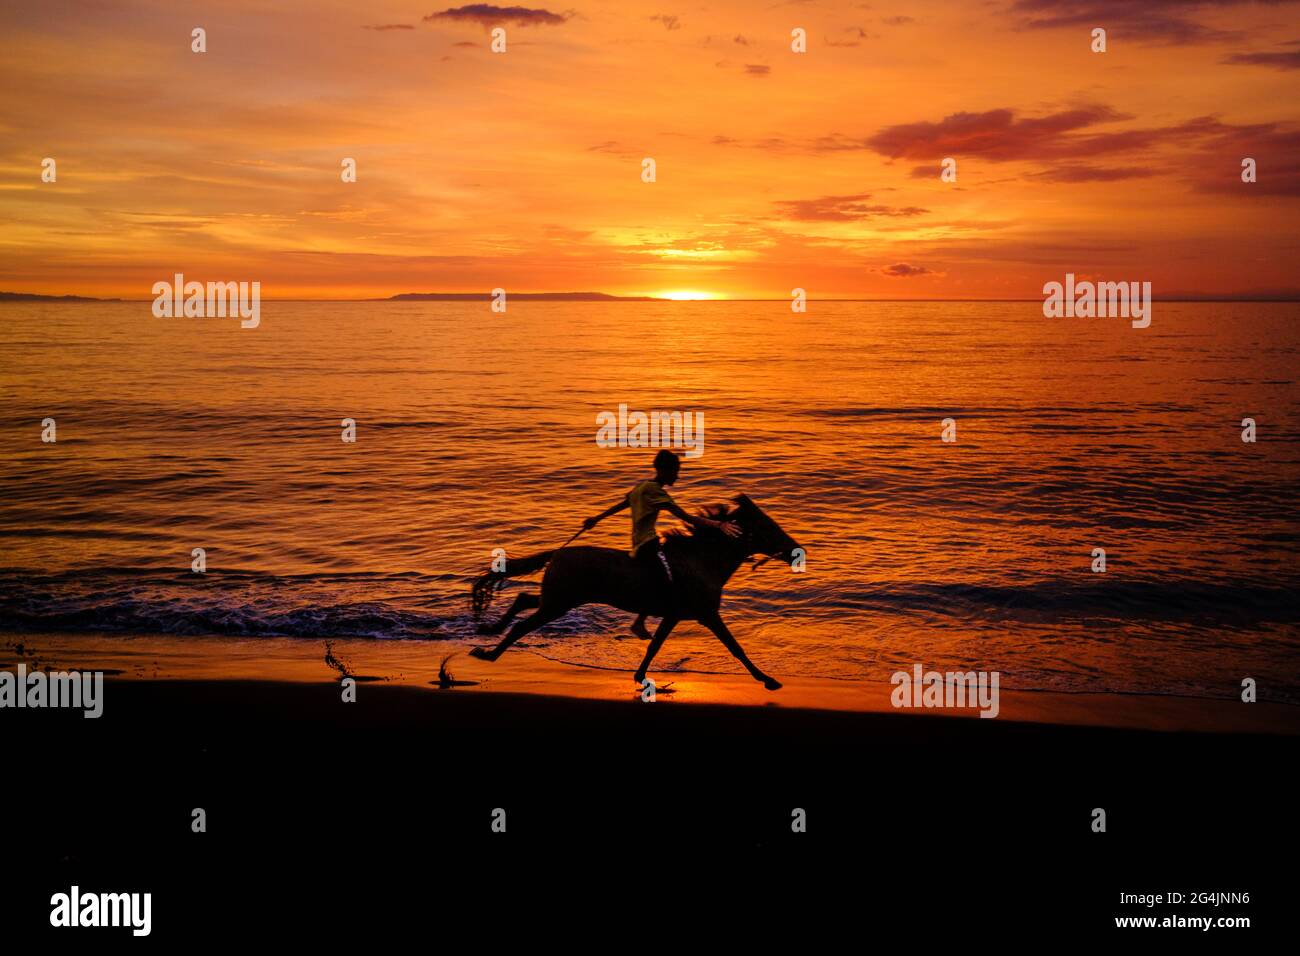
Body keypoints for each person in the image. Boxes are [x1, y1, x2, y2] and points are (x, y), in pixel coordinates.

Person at [583, 449, 740, 637]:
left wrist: (597, 518)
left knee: (664, 575)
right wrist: (718, 524)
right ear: (665, 471)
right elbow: (686, 517)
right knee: (671, 579)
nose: (677, 476)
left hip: (639, 543)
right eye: (676, 471)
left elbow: (622, 504)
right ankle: (641, 622)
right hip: (648, 545)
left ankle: (641, 621)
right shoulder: (655, 491)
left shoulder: (641, 488)